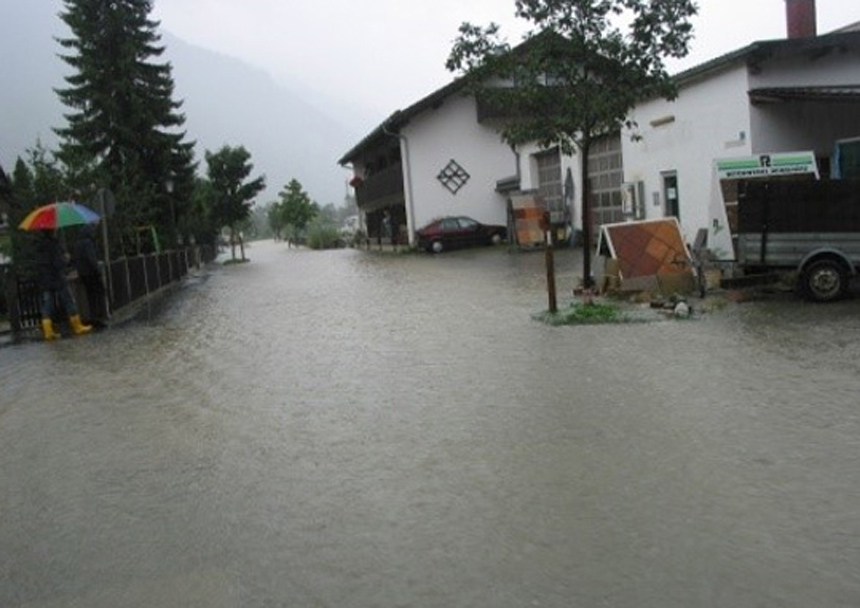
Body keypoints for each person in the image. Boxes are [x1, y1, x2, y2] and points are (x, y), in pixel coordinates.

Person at [35, 229, 92, 340]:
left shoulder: (39, 246)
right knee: (68, 300)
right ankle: (77, 326)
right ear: (52, 231)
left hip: (45, 279)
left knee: (48, 304)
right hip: (57, 278)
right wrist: (66, 259)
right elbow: (58, 263)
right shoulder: (54, 244)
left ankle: (48, 332)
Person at [73, 223, 108, 328]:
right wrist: (97, 269)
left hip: (83, 274)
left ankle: (93, 318)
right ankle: (99, 317)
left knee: (90, 296)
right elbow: (91, 258)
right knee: (97, 295)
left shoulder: (77, 244)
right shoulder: (88, 243)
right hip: (92, 273)